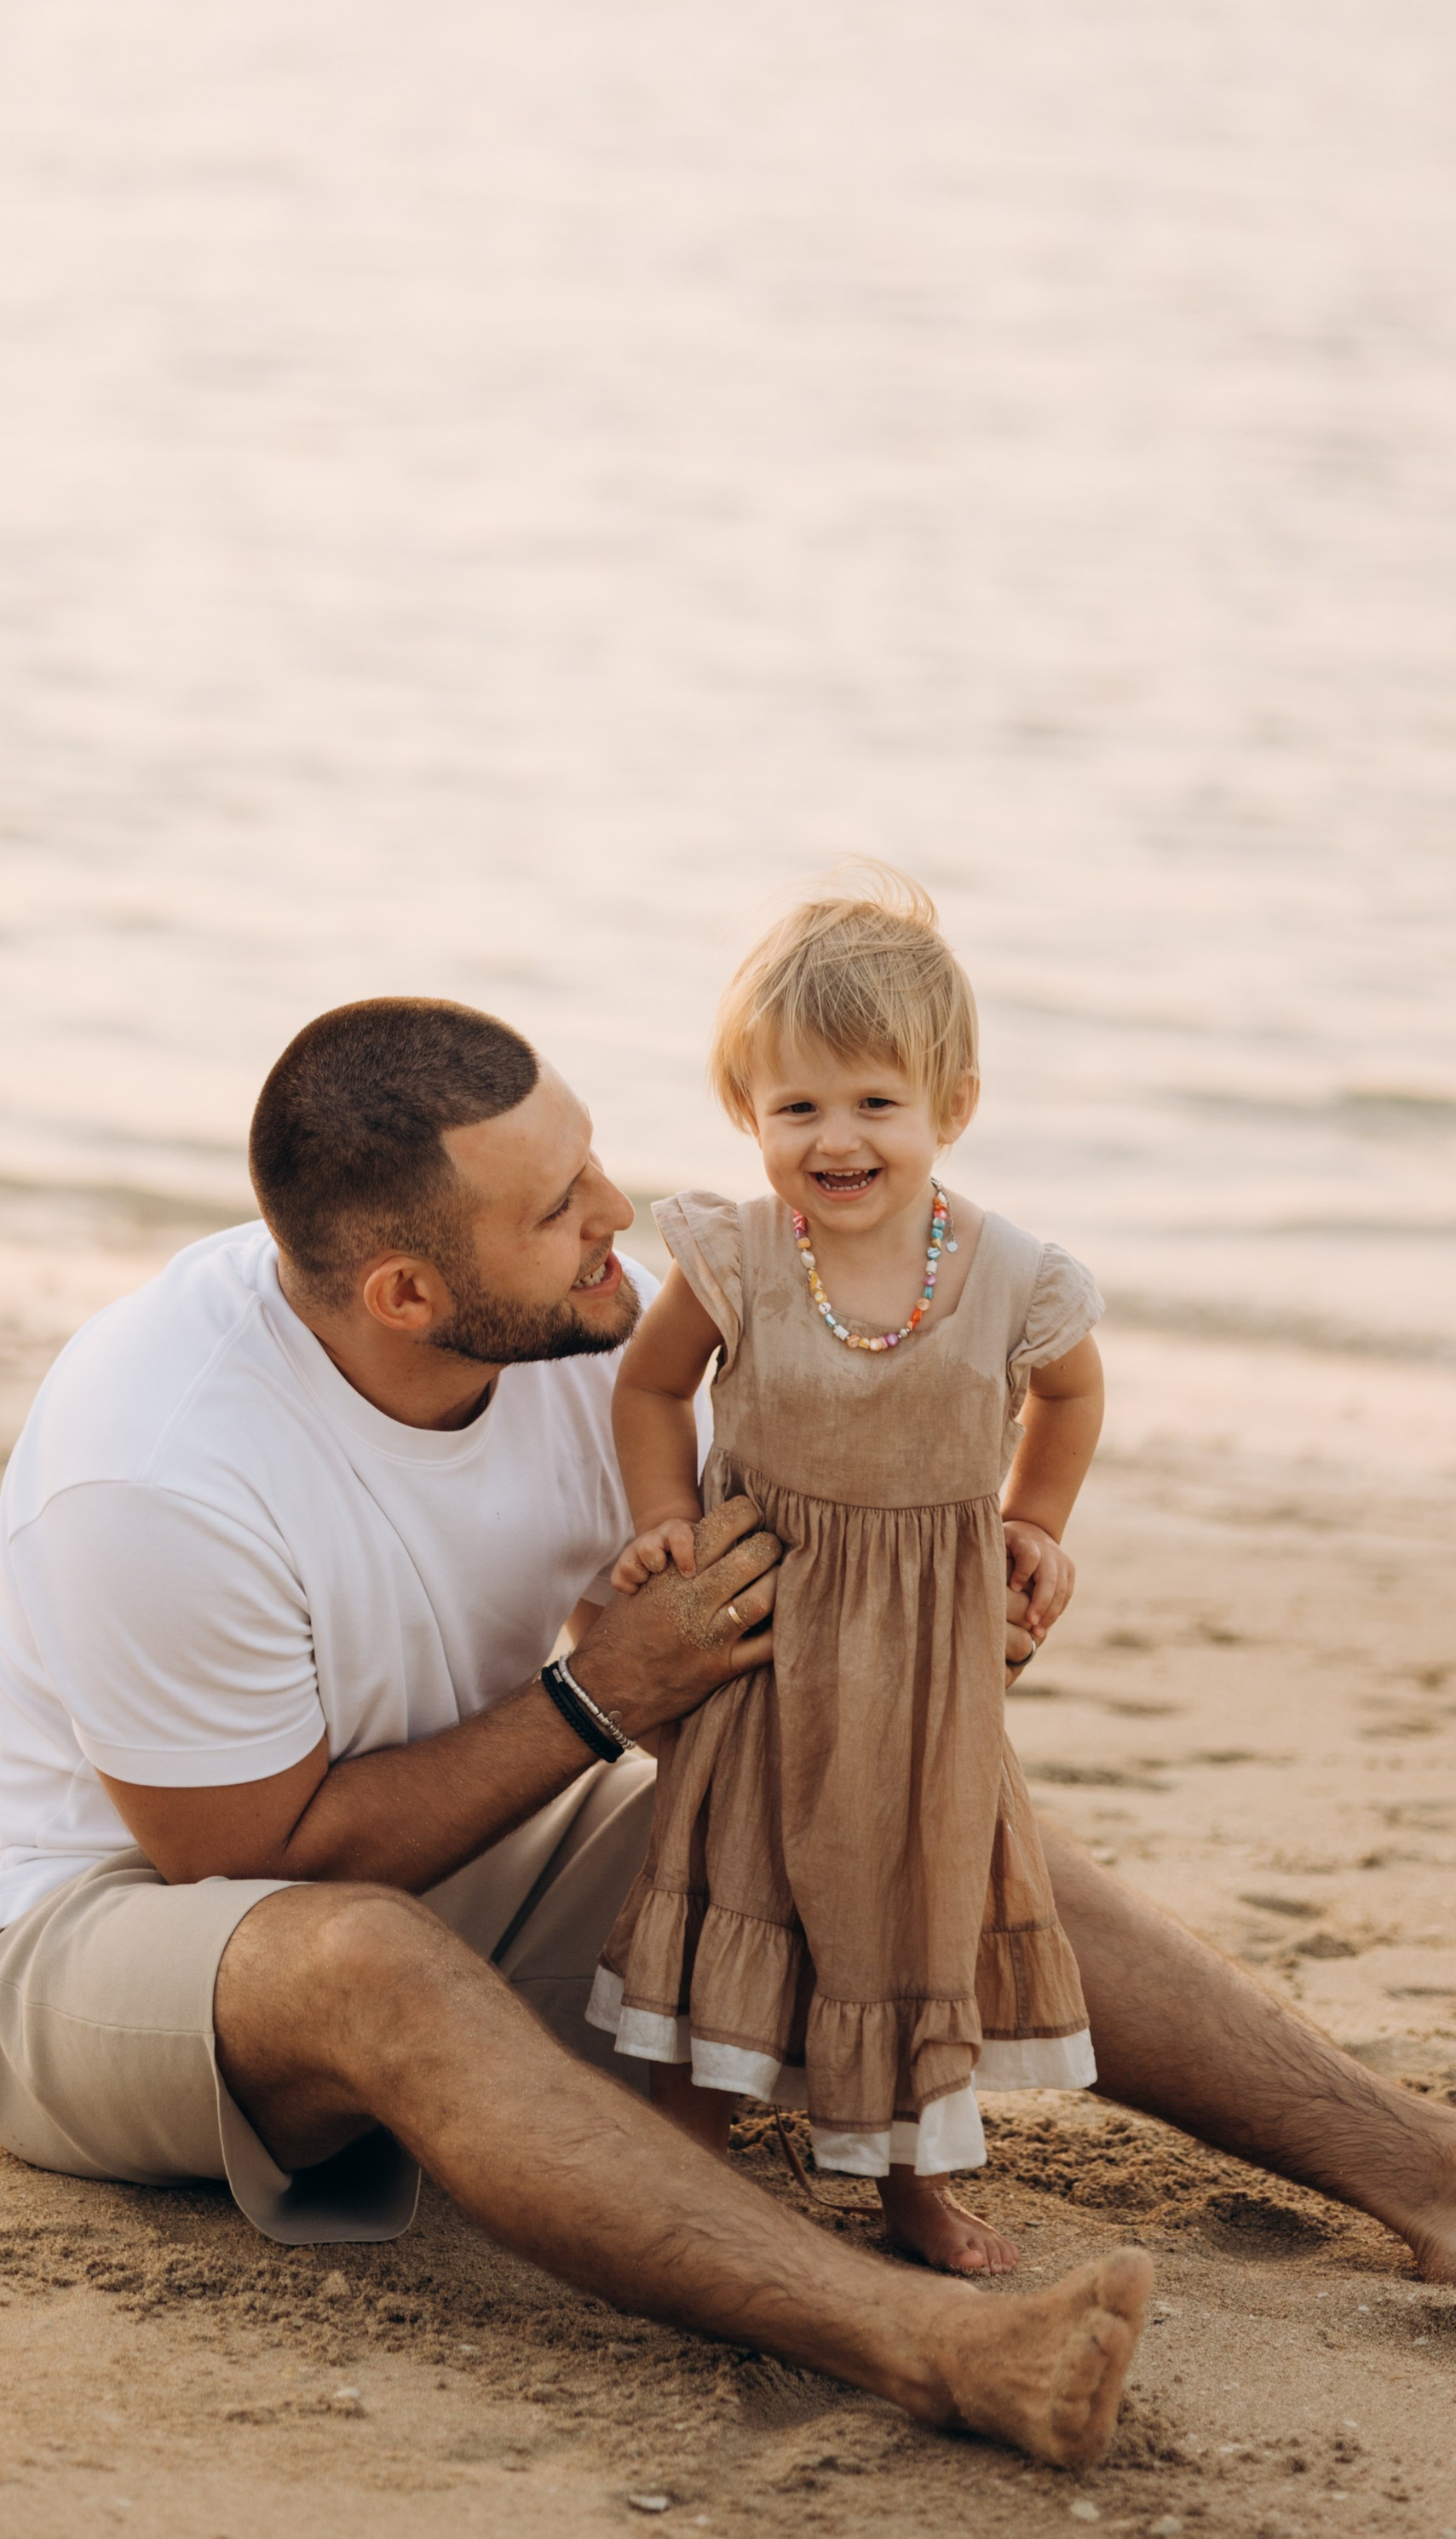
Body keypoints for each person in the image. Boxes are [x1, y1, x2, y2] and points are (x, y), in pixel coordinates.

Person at [0, 994, 1456, 2479]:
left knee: (885, 1794)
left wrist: (962, 1593)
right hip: (106, 1945)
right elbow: (244, 1857)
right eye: (556, 1208)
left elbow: (787, 1601)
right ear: (404, 1292)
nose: (617, 1212)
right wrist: (595, 1699)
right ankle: (921, 2341)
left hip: (458, 1857)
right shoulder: (161, 1470)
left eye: (590, 1159)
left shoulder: (578, 1340)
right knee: (368, 1962)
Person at [594, 874, 1102, 2277]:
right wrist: (663, 1517)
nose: (836, 1138)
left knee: (914, 1903)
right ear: (745, 1109)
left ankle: (911, 2186)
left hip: (925, 1670)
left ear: (954, 1106)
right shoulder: (740, 1256)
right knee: (730, 1875)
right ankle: (683, 2158)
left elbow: (1071, 1396)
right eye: (797, 1106)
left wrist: (1037, 1523)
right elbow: (651, 1388)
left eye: (877, 1102)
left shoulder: (1012, 1275)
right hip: (766, 1637)